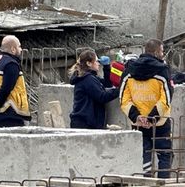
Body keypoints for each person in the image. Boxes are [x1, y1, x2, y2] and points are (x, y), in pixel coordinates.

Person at [120, 39, 173, 178]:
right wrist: (152, 117)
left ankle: (146, 185)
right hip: (160, 123)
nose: (163, 54)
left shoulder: (129, 71)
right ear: (156, 52)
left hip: (138, 124)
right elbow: (166, 97)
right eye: (162, 51)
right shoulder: (162, 71)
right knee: (165, 155)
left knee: (143, 155)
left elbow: (124, 99)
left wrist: (136, 116)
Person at [69, 49, 118, 129]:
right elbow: (102, 97)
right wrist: (120, 90)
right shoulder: (87, 79)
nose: (99, 63)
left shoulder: (89, 77)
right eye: (96, 61)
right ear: (88, 63)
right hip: (85, 124)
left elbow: (107, 84)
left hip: (84, 122)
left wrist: (106, 67)